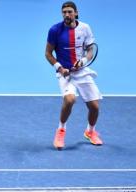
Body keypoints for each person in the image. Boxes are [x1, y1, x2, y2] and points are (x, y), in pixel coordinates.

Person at [45, 1, 103, 150]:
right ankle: (61, 130)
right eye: (64, 12)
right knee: (70, 100)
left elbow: (90, 50)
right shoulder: (55, 30)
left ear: (76, 13)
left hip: (82, 71)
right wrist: (59, 68)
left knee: (95, 107)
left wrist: (83, 61)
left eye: (70, 11)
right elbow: (48, 53)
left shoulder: (85, 28)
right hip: (66, 73)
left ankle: (90, 132)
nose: (67, 14)